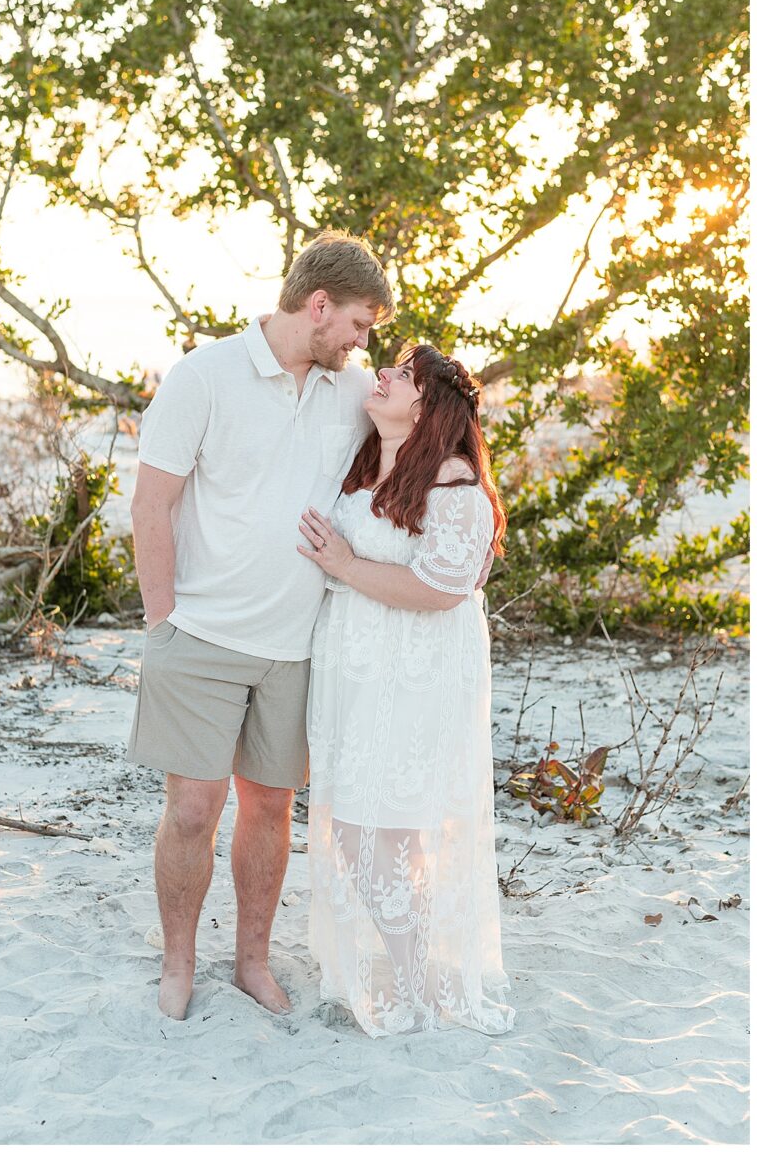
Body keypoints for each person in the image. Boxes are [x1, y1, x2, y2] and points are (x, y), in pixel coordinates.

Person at [127, 235, 389, 1019]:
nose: (361, 341)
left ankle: (251, 962)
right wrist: (163, 621)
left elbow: (422, 433)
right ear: (318, 306)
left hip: (299, 647)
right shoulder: (203, 377)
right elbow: (151, 506)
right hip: (200, 637)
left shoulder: (354, 390)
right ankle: (179, 965)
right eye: (357, 323)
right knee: (193, 810)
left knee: (270, 808)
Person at [297, 343, 513, 1035]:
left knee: (373, 828)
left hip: (413, 675)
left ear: (428, 406)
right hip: (357, 675)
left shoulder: (452, 483)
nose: (381, 377)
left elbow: (439, 590)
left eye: (400, 376)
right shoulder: (369, 463)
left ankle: (419, 978)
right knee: (378, 825)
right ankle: (415, 963)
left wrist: (343, 562)